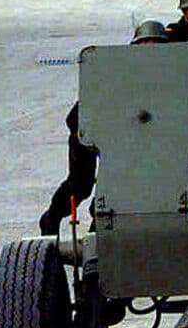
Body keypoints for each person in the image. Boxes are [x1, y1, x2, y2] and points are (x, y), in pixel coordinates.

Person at [38, 20, 171, 235]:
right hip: (93, 135)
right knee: (80, 185)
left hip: (130, 139)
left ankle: (96, 234)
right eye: (145, 42)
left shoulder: (170, 74)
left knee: (113, 190)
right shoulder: (119, 73)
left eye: (156, 43)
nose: (150, 48)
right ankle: (51, 218)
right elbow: (76, 116)